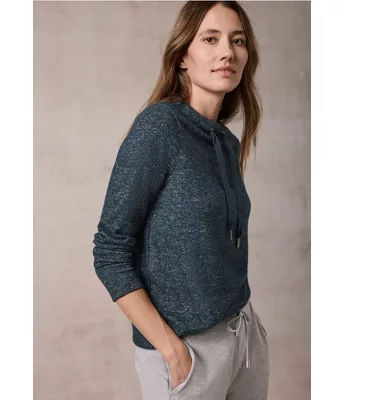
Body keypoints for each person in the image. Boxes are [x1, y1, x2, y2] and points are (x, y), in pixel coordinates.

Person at [92, 1, 269, 399]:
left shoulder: (225, 142)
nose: (227, 52)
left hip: (242, 337)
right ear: (182, 57)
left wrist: (249, 334)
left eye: (237, 40)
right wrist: (172, 351)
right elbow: (110, 251)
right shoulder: (159, 128)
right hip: (187, 352)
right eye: (210, 39)